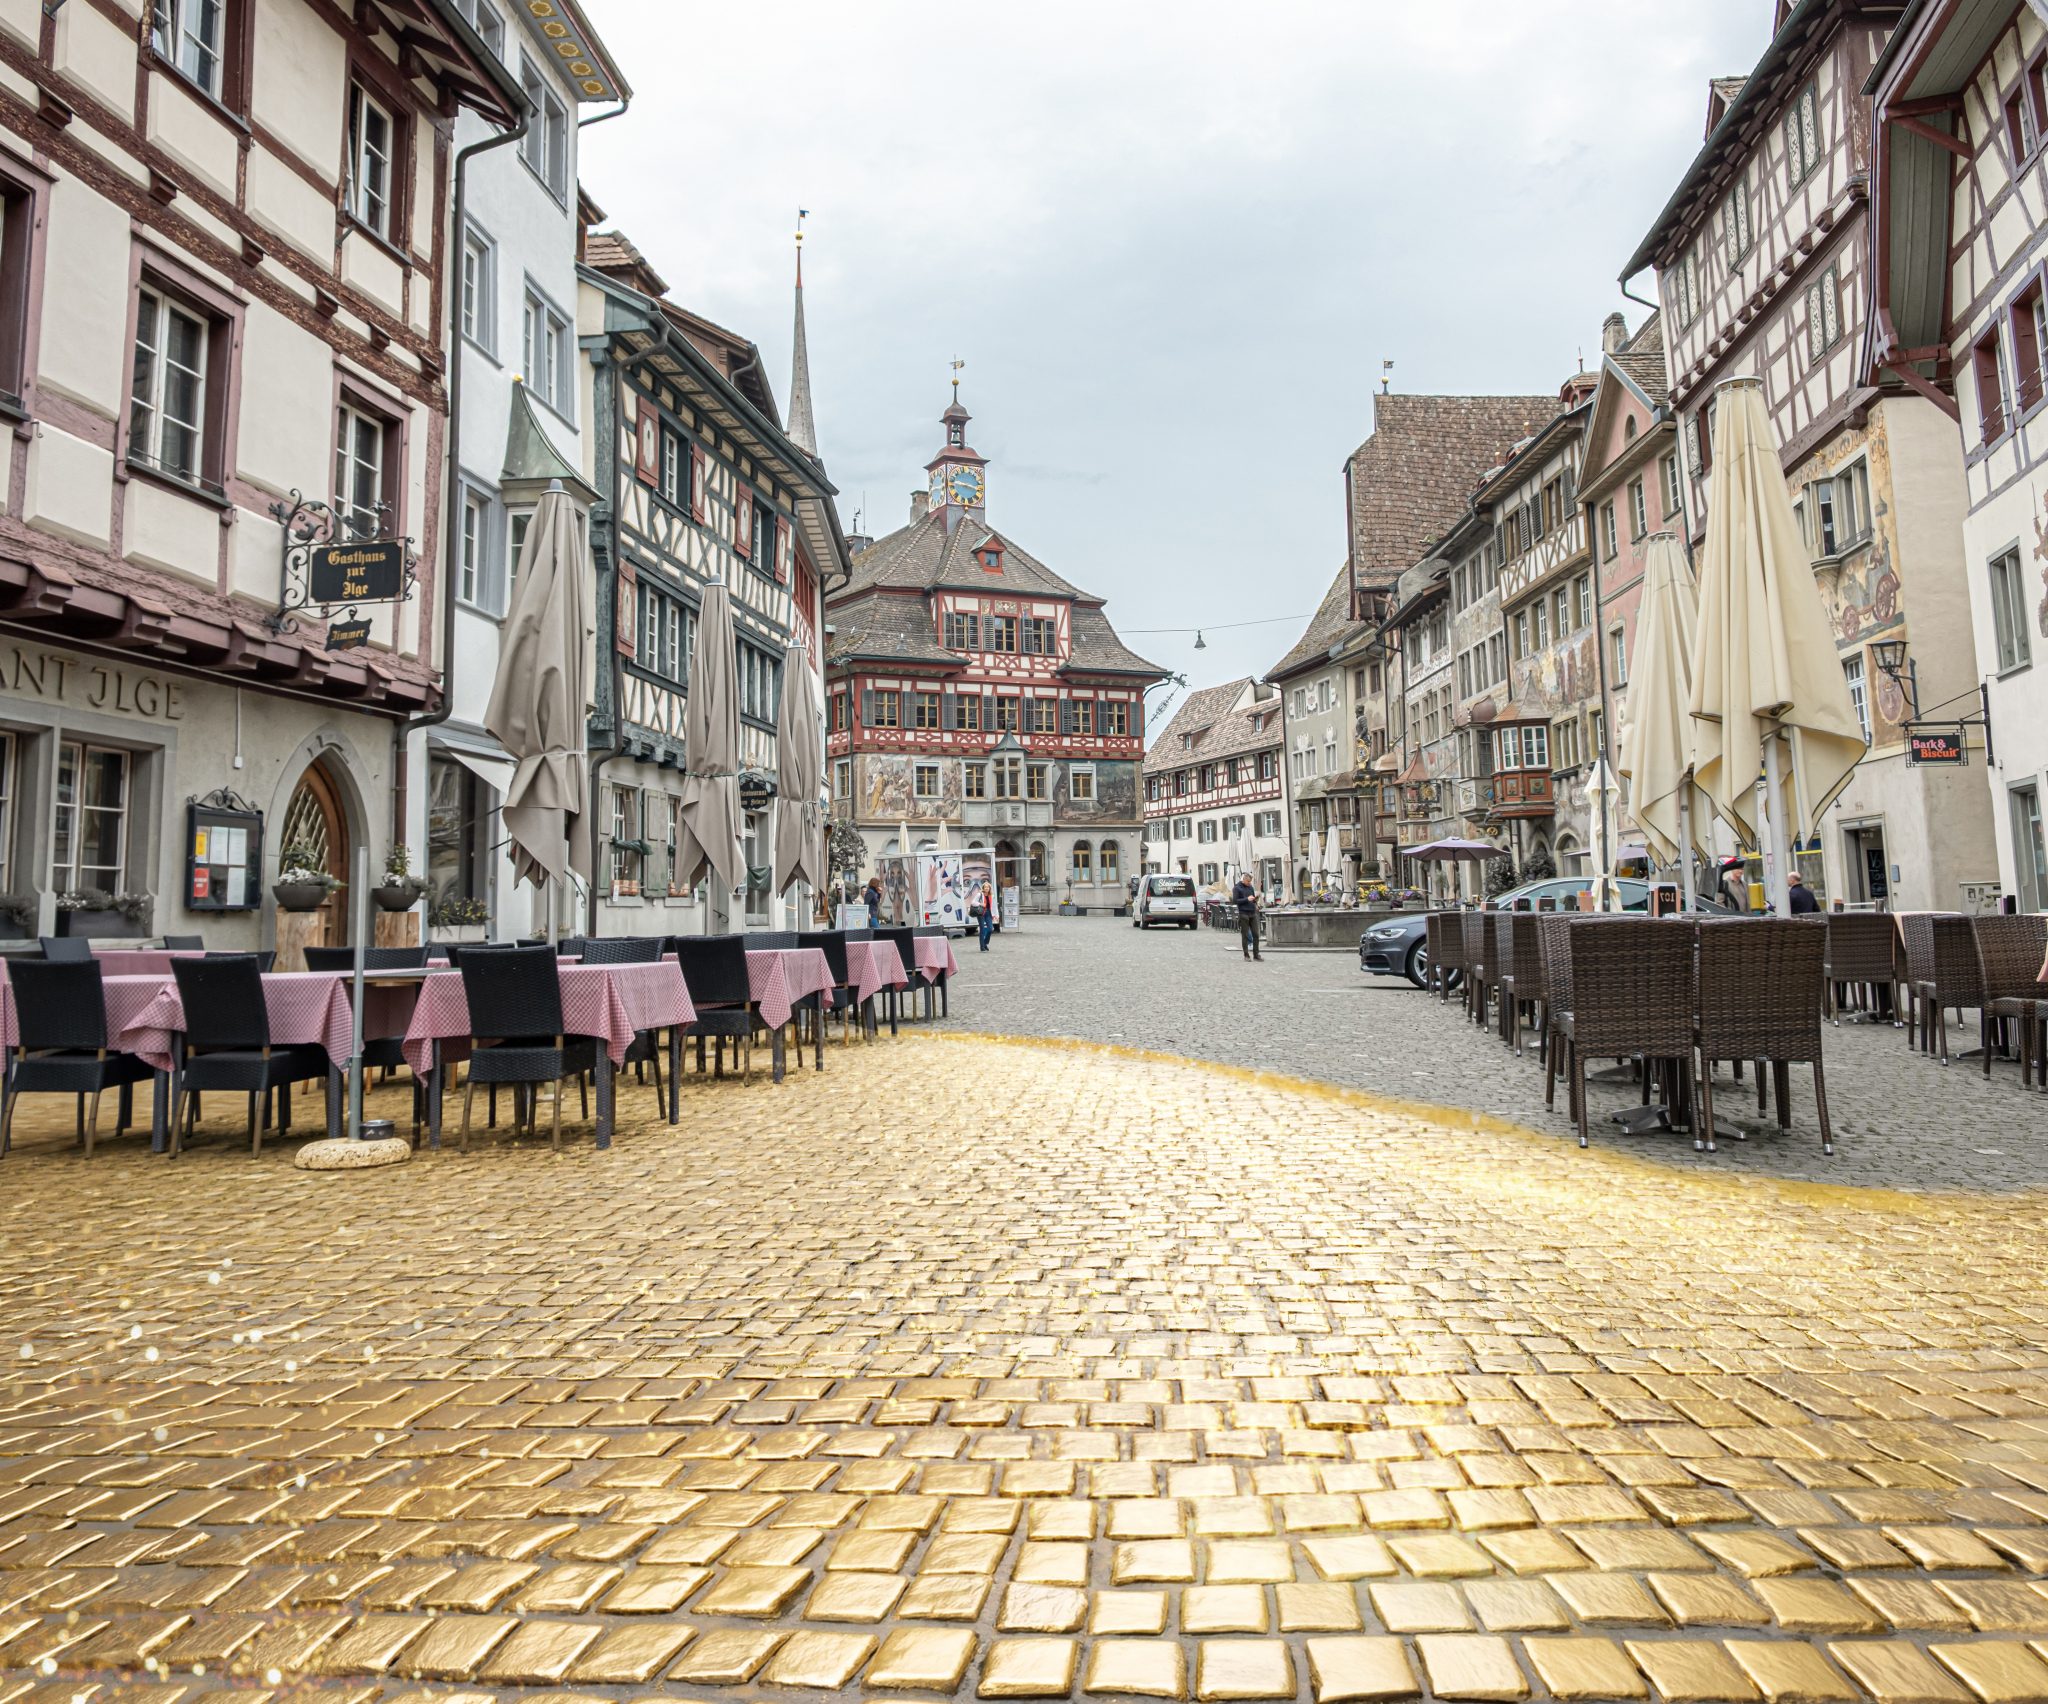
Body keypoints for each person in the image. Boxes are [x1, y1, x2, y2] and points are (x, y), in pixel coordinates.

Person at [1232, 872, 1262, 961]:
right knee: (1245, 935)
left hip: (1252, 913)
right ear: (1243, 879)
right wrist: (1246, 899)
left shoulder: (1250, 887)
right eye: (1248, 881)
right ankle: (1246, 955)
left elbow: (1252, 899)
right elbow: (1235, 901)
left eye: (1250, 881)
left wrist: (1256, 902)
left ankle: (1256, 955)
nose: (1250, 883)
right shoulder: (1237, 888)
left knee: (1256, 935)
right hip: (1243, 913)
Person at [975, 880, 996, 952]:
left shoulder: (991, 896)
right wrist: (980, 904)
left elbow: (994, 906)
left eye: (988, 887)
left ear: (990, 888)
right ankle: (982, 947)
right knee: (982, 930)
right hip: (981, 913)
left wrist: (996, 915)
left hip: (988, 913)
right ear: (983, 888)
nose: (987, 888)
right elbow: (973, 902)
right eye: (985, 887)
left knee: (990, 929)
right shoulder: (979, 895)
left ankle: (985, 943)